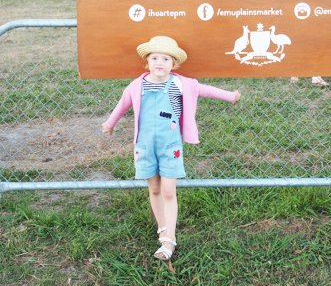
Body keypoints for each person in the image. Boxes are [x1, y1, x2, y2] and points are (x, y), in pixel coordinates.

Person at [102, 35, 241, 261]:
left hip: (170, 147)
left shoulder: (180, 84)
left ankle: (169, 240)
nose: (159, 62)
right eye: (154, 58)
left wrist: (230, 96)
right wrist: (109, 124)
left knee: (168, 190)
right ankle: (162, 229)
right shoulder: (137, 86)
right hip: (144, 147)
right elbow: (122, 104)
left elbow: (205, 90)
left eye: (165, 59)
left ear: (173, 64)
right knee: (154, 189)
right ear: (147, 63)